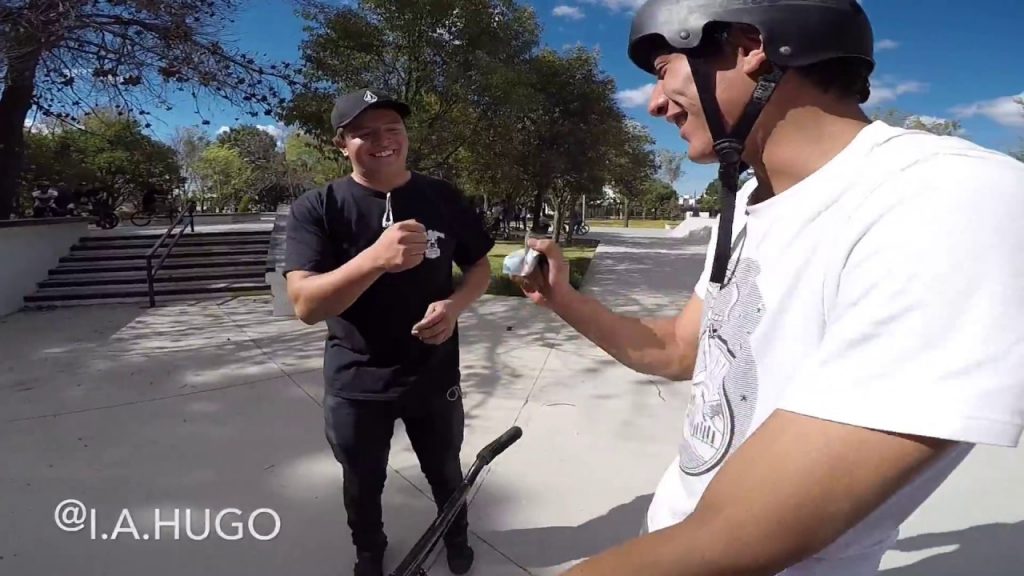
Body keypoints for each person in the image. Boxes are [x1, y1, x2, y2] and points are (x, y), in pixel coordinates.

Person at [518, 1, 1024, 574]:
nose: (655, 103)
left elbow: (739, 534)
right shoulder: (749, 202)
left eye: (663, 71)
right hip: (666, 540)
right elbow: (679, 349)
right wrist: (563, 299)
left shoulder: (948, 198)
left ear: (749, 46)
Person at [282, 88, 494, 576]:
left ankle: (455, 537)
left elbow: (480, 267)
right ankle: (369, 551)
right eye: (365, 133)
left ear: (406, 135)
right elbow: (306, 305)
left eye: (392, 129)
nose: (383, 141)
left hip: (433, 373)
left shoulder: (442, 197)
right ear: (342, 144)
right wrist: (375, 259)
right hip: (356, 380)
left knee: (445, 470)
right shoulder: (318, 208)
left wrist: (455, 305)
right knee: (362, 481)